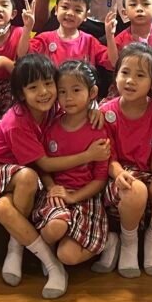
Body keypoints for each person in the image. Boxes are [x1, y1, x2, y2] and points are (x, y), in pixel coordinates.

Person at [0, 54, 110, 299]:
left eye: (48, 84)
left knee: (4, 208)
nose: (44, 92)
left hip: (29, 173)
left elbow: (78, 98)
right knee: (26, 177)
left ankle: (16, 246)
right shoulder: (17, 121)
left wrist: (94, 108)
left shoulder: (54, 107)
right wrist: (88, 155)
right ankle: (46, 261)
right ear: (21, 94)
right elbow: (44, 163)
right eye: (33, 87)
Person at [93, 43, 152, 279]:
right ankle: (129, 242)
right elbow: (107, 157)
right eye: (125, 72)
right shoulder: (105, 112)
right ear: (116, 75)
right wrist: (118, 173)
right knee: (136, 190)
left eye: (140, 75)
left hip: (148, 173)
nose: (130, 81)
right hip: (116, 177)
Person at [32, 61, 111, 269]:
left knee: (67, 255)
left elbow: (100, 179)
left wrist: (74, 197)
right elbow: (43, 167)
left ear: (92, 92)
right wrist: (52, 188)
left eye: (76, 90)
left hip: (85, 196)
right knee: (55, 228)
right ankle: (48, 256)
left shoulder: (98, 129)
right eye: (62, 92)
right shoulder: (51, 125)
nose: (68, 98)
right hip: (56, 193)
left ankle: (109, 242)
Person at [27, 0, 118, 69]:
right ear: (56, 10)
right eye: (65, 7)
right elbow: (23, 53)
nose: (70, 13)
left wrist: (110, 36)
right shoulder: (44, 39)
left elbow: (113, 63)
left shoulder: (90, 42)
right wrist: (27, 28)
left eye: (77, 10)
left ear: (85, 16)